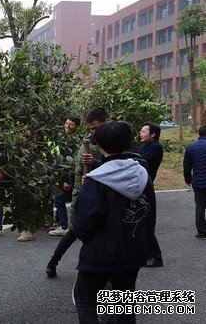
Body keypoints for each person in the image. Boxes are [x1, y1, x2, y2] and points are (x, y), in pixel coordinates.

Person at [72, 120, 156, 323]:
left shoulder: (96, 181)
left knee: (86, 299)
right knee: (125, 303)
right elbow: (149, 215)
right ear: (129, 143)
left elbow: (82, 225)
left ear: (99, 145)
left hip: (99, 255)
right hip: (133, 251)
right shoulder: (142, 174)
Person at [46, 107, 109, 278]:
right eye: (92, 128)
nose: (94, 131)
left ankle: (87, 271)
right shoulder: (86, 142)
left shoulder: (111, 140)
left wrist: (95, 163)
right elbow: (75, 164)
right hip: (81, 193)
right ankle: (54, 264)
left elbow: (115, 164)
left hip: (96, 195)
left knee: (87, 233)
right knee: (76, 231)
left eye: (96, 127)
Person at [49, 115, 81, 236]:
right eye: (66, 123)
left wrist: (68, 180)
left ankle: (64, 226)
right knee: (58, 200)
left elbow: (70, 162)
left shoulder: (74, 141)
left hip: (65, 174)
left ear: (76, 127)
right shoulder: (63, 138)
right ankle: (61, 223)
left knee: (59, 200)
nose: (67, 126)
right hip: (59, 173)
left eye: (70, 124)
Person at [138, 122, 164, 268]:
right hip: (141, 186)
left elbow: (140, 161)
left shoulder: (155, 147)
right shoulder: (145, 146)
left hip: (146, 187)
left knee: (146, 223)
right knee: (140, 222)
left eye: (143, 131)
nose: (140, 134)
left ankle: (156, 256)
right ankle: (145, 254)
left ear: (152, 134)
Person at [183, 125, 206, 239]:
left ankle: (202, 232)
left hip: (199, 183)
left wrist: (188, 179)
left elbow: (186, 166)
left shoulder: (191, 147)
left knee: (200, 207)